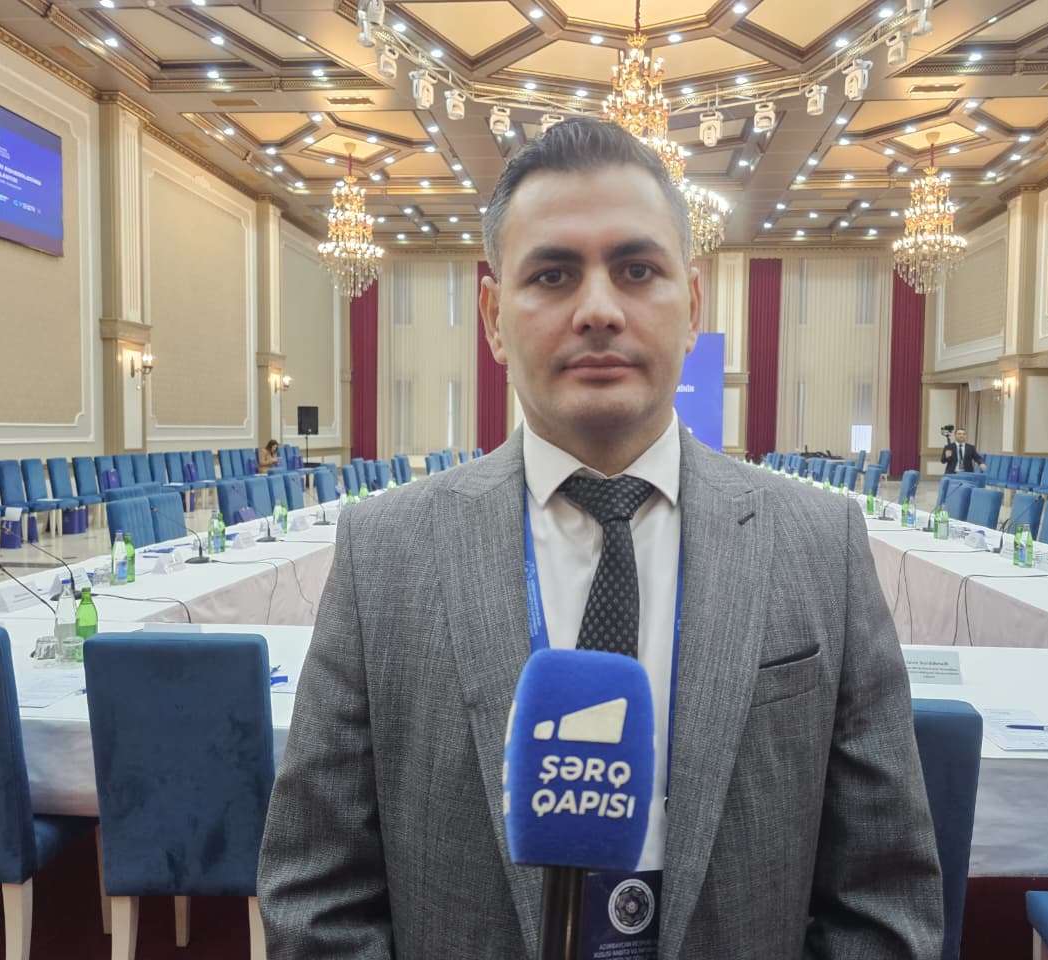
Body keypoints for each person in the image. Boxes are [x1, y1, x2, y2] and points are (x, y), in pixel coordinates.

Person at [258, 118, 942, 959]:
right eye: (552, 275)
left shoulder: (819, 542)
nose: (598, 310)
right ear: (493, 317)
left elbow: (882, 889)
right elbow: (317, 888)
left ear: (692, 307)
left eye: (637, 270)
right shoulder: (385, 551)